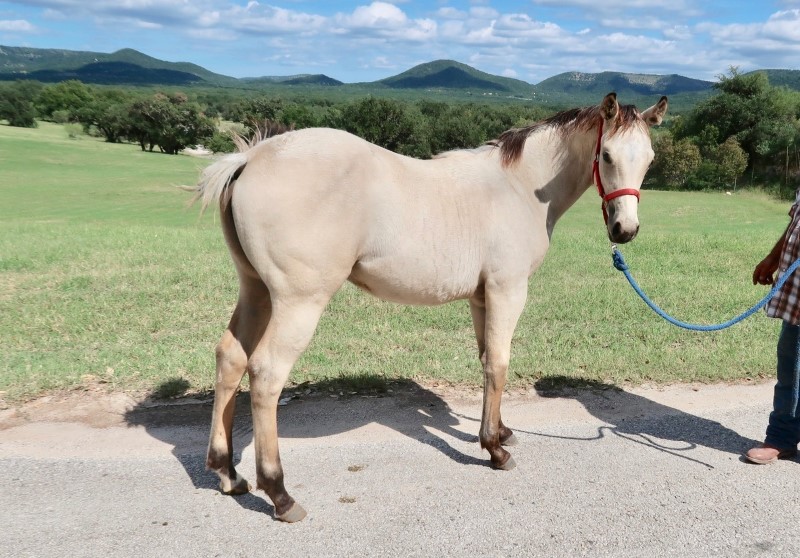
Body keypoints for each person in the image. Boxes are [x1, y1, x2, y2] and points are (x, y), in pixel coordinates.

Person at [747, 189, 800, 464]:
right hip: (798, 292)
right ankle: (781, 438)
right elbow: (795, 222)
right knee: (790, 367)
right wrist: (773, 258)